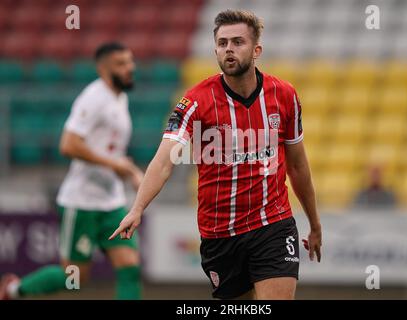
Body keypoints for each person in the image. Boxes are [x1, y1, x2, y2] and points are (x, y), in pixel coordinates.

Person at [110, 10, 322, 300]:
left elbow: (297, 166)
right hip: (220, 233)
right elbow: (163, 161)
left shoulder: (284, 95)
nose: (229, 50)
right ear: (215, 50)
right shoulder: (195, 101)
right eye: (222, 44)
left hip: (273, 224)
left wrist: (314, 222)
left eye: (238, 42)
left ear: (256, 49)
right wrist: (137, 208)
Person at [0, 42, 144, 300]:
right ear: (103, 69)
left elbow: (108, 150)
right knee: (74, 279)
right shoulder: (93, 98)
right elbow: (68, 144)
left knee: (129, 267)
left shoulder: (120, 97)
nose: (130, 68)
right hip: (82, 203)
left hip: (112, 203)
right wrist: (116, 165)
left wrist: (130, 171)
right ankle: (13, 290)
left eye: (130, 61)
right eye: (122, 64)